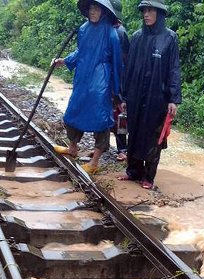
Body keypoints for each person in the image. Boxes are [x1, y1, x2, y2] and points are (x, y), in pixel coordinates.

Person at [53, 0, 122, 175]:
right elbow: (81, 52)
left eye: (97, 8)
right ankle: (73, 148)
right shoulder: (83, 30)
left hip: (100, 82)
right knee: (72, 113)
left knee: (101, 120)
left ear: (104, 11)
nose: (93, 11)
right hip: (83, 78)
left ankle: (94, 161)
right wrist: (65, 61)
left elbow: (117, 63)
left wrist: (117, 91)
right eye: (91, 8)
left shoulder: (112, 34)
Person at [119, 0, 181, 189]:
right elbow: (129, 68)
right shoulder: (137, 37)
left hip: (157, 96)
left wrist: (173, 98)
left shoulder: (170, 38)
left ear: (159, 14)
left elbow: (173, 69)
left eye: (150, 11)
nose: (146, 14)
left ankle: (148, 176)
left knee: (153, 135)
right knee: (135, 130)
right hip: (136, 93)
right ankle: (133, 170)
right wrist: (124, 96)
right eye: (144, 11)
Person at [110, 0, 129, 161]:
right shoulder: (104, 29)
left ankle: (122, 148)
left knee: (119, 116)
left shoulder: (120, 32)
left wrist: (121, 89)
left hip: (118, 80)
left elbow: (124, 61)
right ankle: (100, 146)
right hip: (105, 79)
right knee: (104, 114)